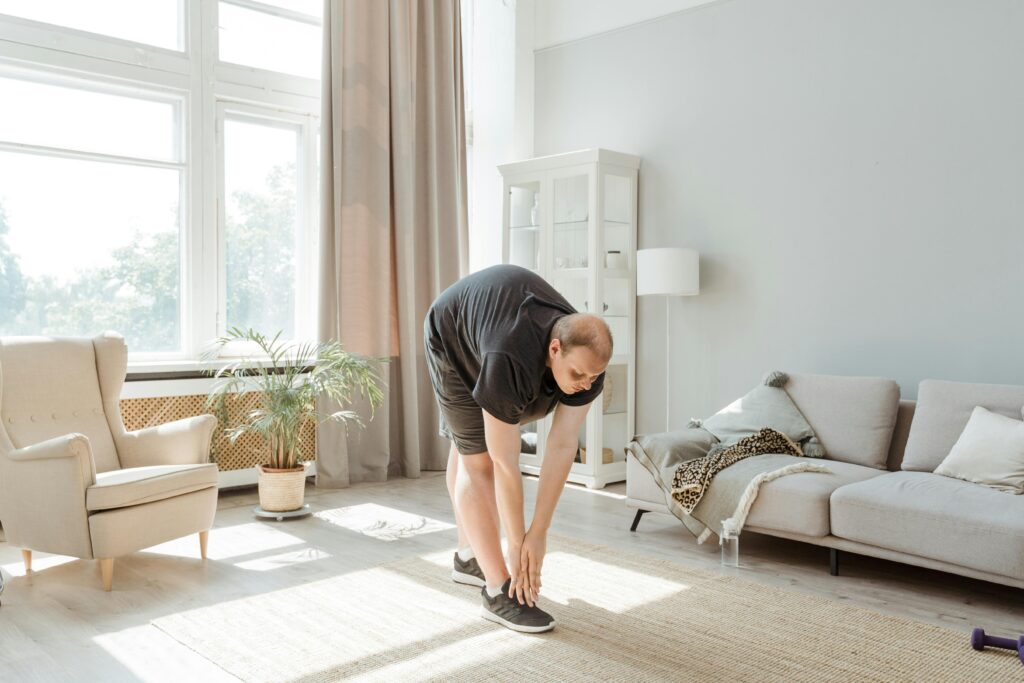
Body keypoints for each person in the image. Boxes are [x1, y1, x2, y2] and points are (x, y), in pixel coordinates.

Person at [423, 264, 612, 633]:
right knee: (477, 461)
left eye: (593, 377)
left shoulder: (588, 366)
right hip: (451, 335)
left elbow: (560, 446)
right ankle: (496, 592)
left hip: (489, 326)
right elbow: (505, 464)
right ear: (555, 349)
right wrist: (516, 545)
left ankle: (467, 556)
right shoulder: (511, 356)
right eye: (578, 375)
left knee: (471, 447)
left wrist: (538, 534)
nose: (585, 384)